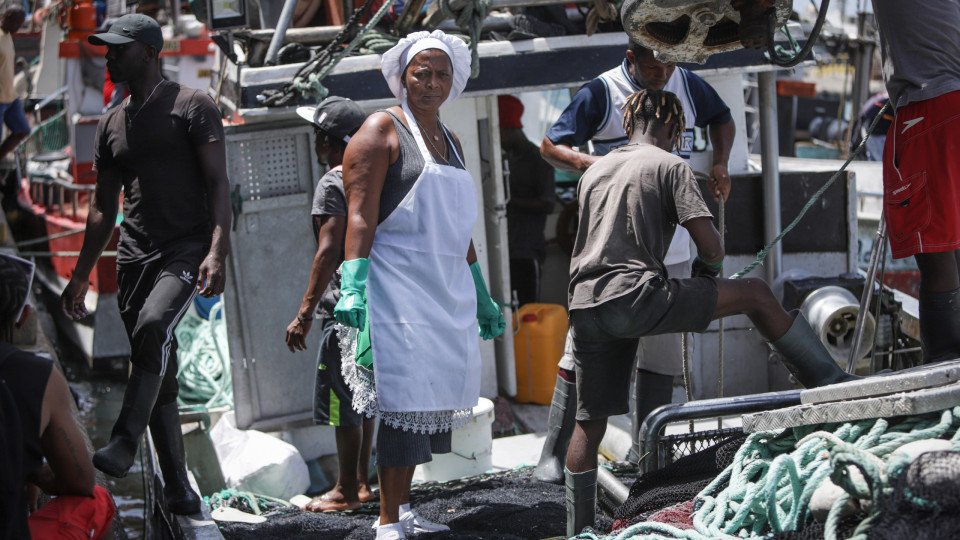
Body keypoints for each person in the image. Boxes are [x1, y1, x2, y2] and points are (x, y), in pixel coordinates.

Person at [563, 89, 858, 536]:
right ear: (673, 129)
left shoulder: (594, 171)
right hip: (636, 296)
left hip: (585, 304)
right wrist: (710, 275)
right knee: (757, 293)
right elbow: (712, 246)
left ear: (628, 124)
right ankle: (833, 385)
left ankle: (578, 529)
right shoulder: (669, 165)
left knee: (589, 424)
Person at [534, 41, 736, 484]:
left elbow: (721, 117)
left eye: (668, 62)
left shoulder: (687, 84)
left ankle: (649, 461)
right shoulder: (603, 91)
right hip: (612, 254)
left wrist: (720, 162)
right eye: (651, 64)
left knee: (661, 356)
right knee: (579, 353)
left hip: (674, 249)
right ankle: (551, 453)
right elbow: (550, 144)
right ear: (630, 59)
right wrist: (603, 165)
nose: (661, 72)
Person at [333, 30, 506, 540]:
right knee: (404, 403)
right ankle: (387, 522)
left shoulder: (450, 140)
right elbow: (360, 218)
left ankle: (404, 510)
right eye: (421, 73)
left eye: (441, 73)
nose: (432, 83)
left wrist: (479, 290)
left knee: (430, 401)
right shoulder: (380, 130)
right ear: (402, 77)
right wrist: (352, 286)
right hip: (397, 288)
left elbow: (457, 226)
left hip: (444, 289)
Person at [60, 13, 232, 516]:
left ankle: (124, 440)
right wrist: (77, 277)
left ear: (150, 53)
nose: (108, 56)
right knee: (159, 369)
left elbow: (219, 186)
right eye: (107, 49)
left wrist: (217, 249)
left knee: (156, 326)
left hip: (186, 249)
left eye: (118, 48)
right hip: (134, 257)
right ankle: (178, 485)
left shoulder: (192, 106)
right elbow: (100, 208)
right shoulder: (112, 122)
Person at [284, 96, 377, 513]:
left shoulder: (333, 181)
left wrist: (304, 314)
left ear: (329, 141)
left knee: (342, 399)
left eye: (318, 134)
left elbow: (328, 250)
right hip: (378, 303)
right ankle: (361, 481)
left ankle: (343, 491)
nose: (315, 141)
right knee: (367, 393)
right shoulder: (375, 174)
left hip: (343, 305)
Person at [870, 1, 960, 365]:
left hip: (932, 107)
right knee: (954, 248)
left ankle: (944, 366)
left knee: (936, 253)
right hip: (950, 102)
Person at [0, 254, 115, 539]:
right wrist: (34, 471)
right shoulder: (38, 377)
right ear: (23, 318)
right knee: (97, 501)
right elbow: (80, 482)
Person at [498, 94, 555, 306]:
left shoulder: (539, 159)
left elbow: (548, 203)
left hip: (526, 251)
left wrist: (509, 201)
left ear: (509, 129)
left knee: (528, 311)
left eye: (499, 132)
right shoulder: (503, 160)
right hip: (504, 251)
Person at [0, 5, 30, 163]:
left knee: (23, 130)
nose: (19, 28)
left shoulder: (8, 35)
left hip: (10, 96)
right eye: (18, 23)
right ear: (9, 19)